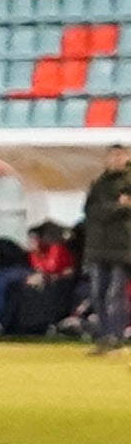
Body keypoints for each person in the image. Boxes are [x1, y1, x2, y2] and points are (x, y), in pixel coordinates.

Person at [83, 147, 131, 354]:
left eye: (120, 155)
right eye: (112, 156)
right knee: (98, 294)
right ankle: (103, 336)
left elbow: (97, 211)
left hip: (123, 248)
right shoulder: (98, 183)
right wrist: (118, 207)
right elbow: (90, 212)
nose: (116, 160)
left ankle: (116, 337)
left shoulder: (128, 182)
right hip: (97, 248)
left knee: (115, 294)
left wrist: (109, 210)